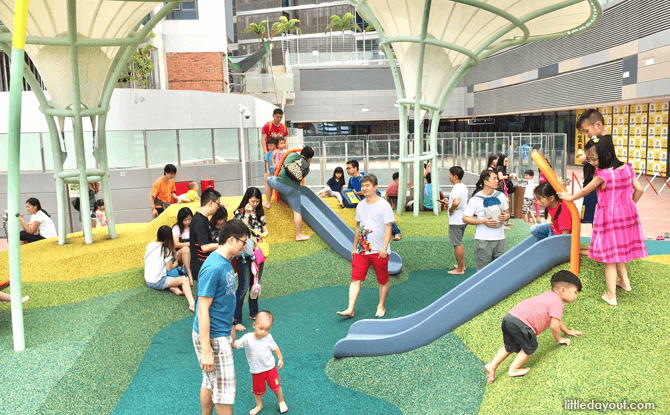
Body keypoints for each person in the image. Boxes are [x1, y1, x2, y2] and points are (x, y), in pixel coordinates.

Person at [559, 135, 647, 306]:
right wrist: (628, 205)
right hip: (627, 214)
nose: (591, 163)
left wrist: (569, 197)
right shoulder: (627, 168)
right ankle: (625, 283)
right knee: (619, 251)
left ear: (605, 155)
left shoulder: (604, 174)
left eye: (593, 159)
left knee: (609, 257)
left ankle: (611, 296)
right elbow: (640, 189)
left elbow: (585, 191)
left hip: (609, 217)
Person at [193, 219, 251, 415]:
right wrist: (207, 350)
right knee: (224, 393)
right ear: (232, 240)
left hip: (220, 331)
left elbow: (226, 299)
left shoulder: (225, 262)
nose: (245, 246)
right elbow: (202, 309)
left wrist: (233, 324)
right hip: (213, 336)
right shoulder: (213, 267)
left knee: (209, 382)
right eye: (244, 242)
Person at [484, 271, 583, 383]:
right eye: (575, 292)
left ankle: (492, 366)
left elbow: (556, 319)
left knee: (510, 346)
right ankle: (514, 369)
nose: (575, 295)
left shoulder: (548, 295)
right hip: (522, 323)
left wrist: (567, 331)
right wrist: (559, 339)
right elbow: (554, 325)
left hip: (509, 318)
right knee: (530, 347)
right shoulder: (557, 303)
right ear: (563, 290)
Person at [337, 174, 395, 319]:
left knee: (382, 280)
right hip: (362, 250)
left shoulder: (384, 205)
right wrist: (354, 247)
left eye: (368, 185)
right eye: (363, 186)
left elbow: (388, 227)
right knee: (355, 279)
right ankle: (350, 308)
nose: (364, 188)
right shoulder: (360, 205)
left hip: (379, 250)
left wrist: (384, 246)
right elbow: (358, 227)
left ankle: (381, 305)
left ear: (375, 187)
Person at [232, 310, 288, 415]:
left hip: (270, 368)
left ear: (270, 329)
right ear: (254, 325)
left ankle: (281, 401)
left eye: (267, 330)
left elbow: (275, 348)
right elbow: (236, 345)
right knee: (258, 391)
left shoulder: (268, 337)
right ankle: (259, 405)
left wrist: (280, 358)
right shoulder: (247, 338)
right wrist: (230, 340)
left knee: (276, 387)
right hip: (257, 371)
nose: (263, 332)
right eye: (261, 328)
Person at [233, 187, 268, 330]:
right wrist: (247, 214)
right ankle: (236, 318)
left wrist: (263, 234)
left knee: (255, 285)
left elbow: (265, 229)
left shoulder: (260, 212)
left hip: (258, 253)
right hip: (244, 254)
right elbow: (240, 230)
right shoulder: (239, 212)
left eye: (257, 201)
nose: (254, 204)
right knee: (243, 286)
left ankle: (254, 312)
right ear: (247, 199)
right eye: (252, 201)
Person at [462, 171, 510, 270]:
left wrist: (506, 217)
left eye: (497, 178)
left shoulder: (501, 196)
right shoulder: (475, 199)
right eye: (494, 178)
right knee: (483, 271)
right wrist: (483, 221)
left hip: (500, 240)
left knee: (500, 269)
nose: (497, 181)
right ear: (486, 182)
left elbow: (507, 213)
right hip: (483, 241)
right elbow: (465, 218)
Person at [267, 146, 314, 241]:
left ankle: (267, 202)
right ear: (310, 158)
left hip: (279, 184)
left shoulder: (292, 155)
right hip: (293, 189)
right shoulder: (307, 168)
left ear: (301, 151)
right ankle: (299, 235)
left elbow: (283, 165)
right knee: (297, 211)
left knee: (268, 179)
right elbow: (300, 177)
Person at [144, 225, 195, 312]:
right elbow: (169, 268)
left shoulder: (151, 244)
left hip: (147, 279)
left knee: (173, 275)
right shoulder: (166, 250)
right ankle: (192, 304)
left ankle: (173, 287)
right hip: (157, 281)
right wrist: (176, 264)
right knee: (184, 279)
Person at [347, 160, 401, 240]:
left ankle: (397, 233)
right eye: (346, 168)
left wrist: (358, 193)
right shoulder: (351, 180)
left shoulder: (364, 175)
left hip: (375, 197)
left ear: (355, 168)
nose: (347, 170)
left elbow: (370, 189)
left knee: (384, 214)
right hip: (365, 200)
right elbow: (351, 192)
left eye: (349, 168)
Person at [190, 189, 223, 281]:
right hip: (202, 267)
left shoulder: (203, 218)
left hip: (206, 265)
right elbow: (204, 247)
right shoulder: (199, 221)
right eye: (218, 204)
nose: (218, 207)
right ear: (210, 203)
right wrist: (224, 244)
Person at [447, 166, 468, 275]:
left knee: (457, 244)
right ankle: (461, 265)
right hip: (462, 219)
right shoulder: (463, 187)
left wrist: (450, 210)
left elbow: (456, 202)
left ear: (455, 176)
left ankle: (460, 269)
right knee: (459, 242)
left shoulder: (456, 188)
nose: (449, 176)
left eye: (450, 174)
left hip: (456, 220)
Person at [173, 207, 194, 284]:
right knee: (185, 249)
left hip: (193, 254)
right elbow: (175, 244)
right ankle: (189, 275)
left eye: (189, 219)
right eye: (185, 220)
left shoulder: (194, 227)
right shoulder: (177, 228)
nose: (188, 222)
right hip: (180, 255)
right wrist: (188, 244)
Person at [496, 155, 516, 229]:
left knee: (506, 204)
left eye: (507, 161)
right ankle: (503, 223)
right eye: (505, 161)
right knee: (504, 205)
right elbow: (500, 177)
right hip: (501, 188)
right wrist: (508, 176)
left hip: (504, 188)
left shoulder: (502, 168)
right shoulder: (500, 168)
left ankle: (506, 221)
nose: (506, 163)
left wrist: (509, 176)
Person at [263, 138, 278, 209]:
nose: (270, 148)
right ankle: (268, 201)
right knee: (268, 184)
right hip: (270, 172)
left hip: (276, 172)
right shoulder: (268, 154)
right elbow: (267, 162)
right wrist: (267, 170)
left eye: (271, 146)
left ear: (275, 145)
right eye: (269, 146)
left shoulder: (277, 152)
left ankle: (275, 199)